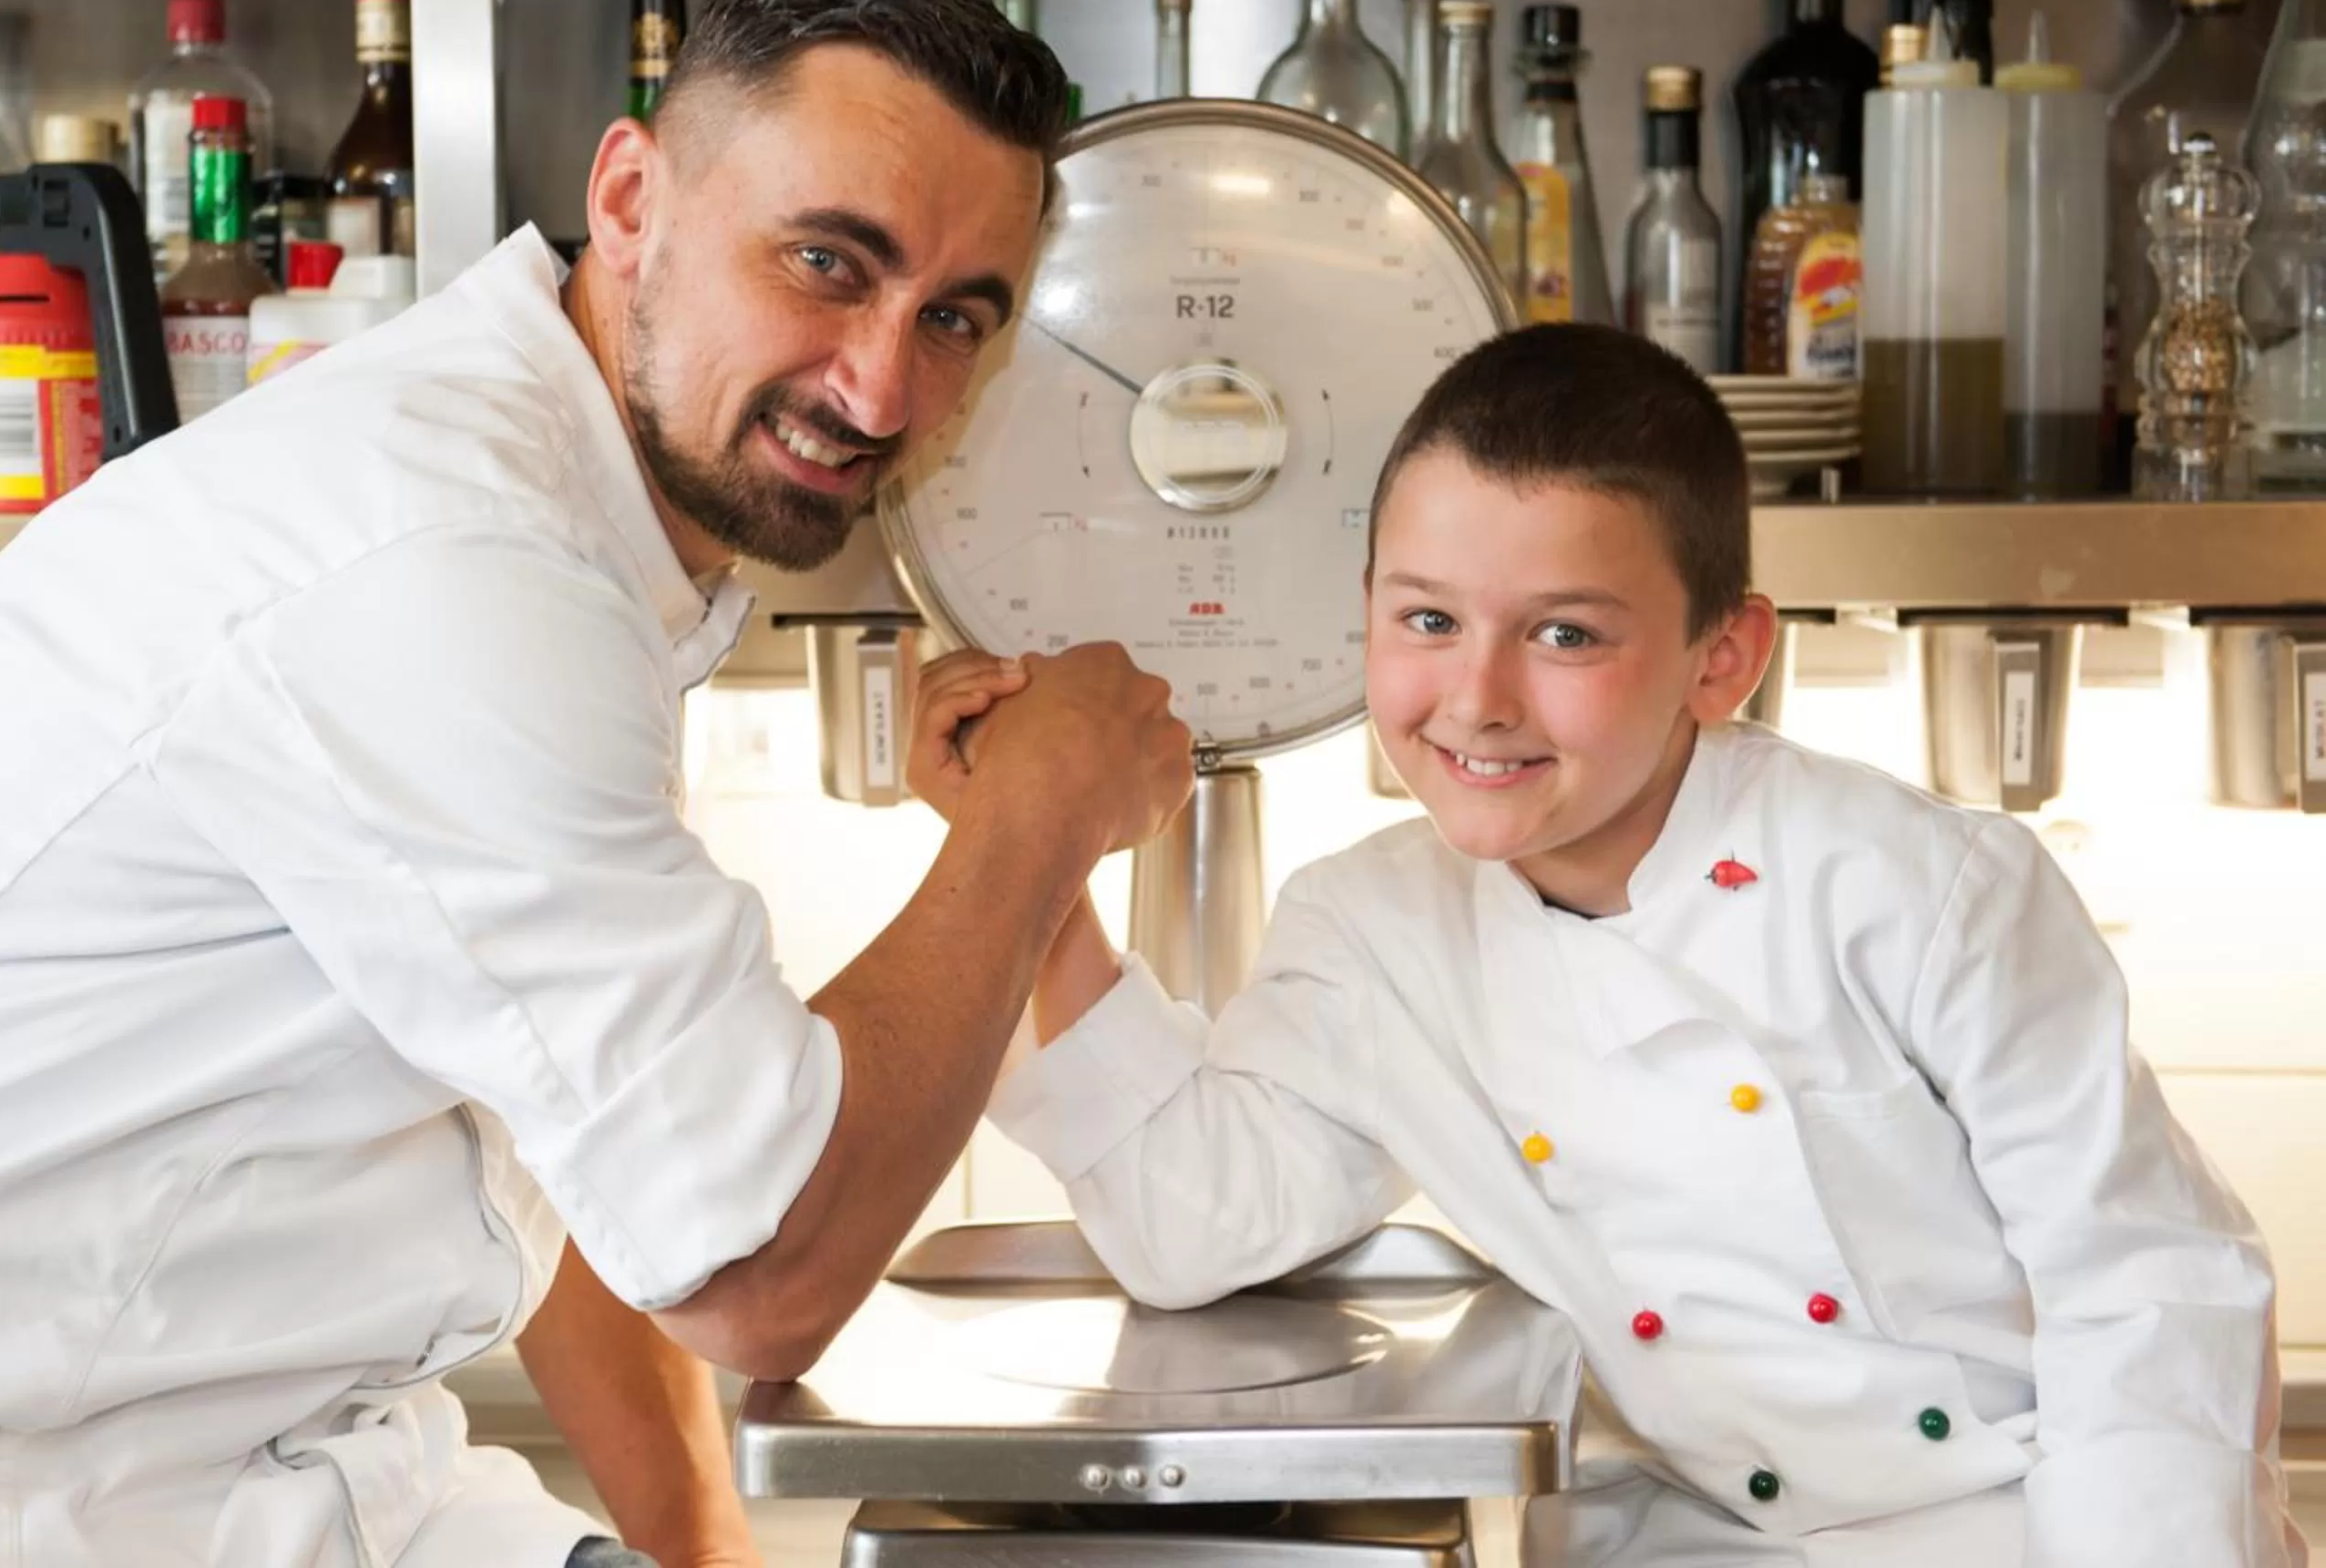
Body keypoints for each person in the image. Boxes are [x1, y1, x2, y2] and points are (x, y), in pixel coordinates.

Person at [0, 0, 1194, 1567]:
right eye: (829, 265)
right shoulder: (454, 557)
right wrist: (1038, 822)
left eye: (955, 318)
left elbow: (595, 1137)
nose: (879, 385)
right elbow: (759, 1268)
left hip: (217, 1473)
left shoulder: (579, 523)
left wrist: (703, 1553)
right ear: (633, 200)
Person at [942, 325, 2301, 1566]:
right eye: (1427, 620)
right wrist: (1029, 849)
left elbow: (2145, 1292)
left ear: (1725, 658)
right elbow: (1192, 1222)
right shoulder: (1375, 929)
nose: (1476, 698)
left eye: (1565, 635)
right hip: (1683, 1542)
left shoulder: (1922, 893)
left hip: (2026, 1529)